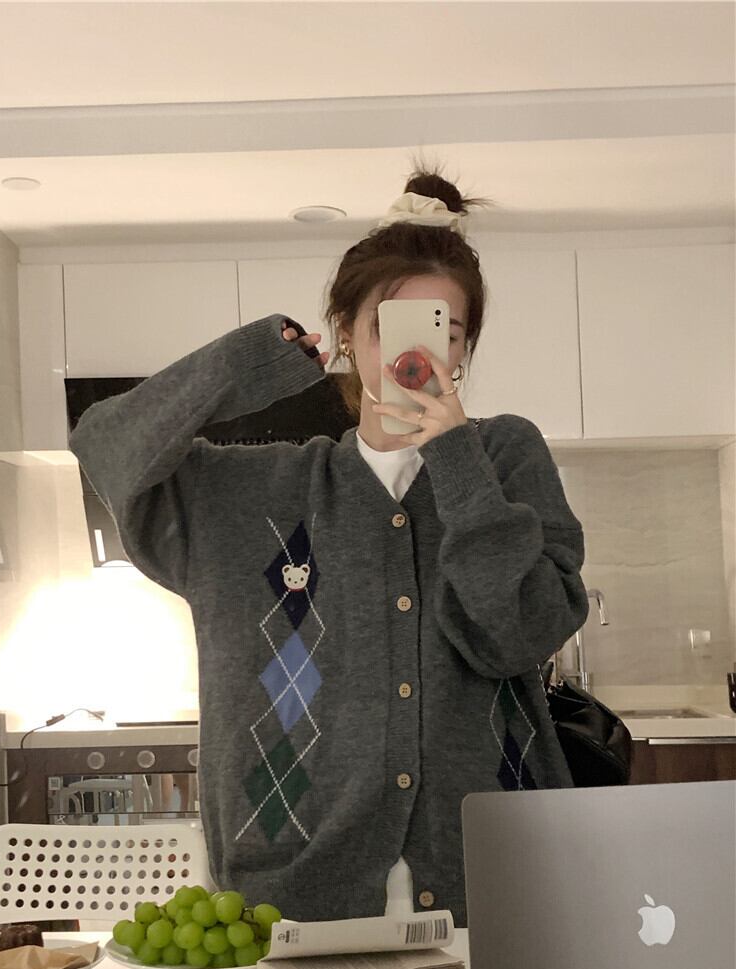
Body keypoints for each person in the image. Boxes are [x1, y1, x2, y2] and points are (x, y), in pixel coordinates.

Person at [68, 155, 589, 926]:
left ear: (464, 347)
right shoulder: (257, 492)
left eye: (445, 331)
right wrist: (243, 368)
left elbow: (517, 633)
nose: (416, 355)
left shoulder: (504, 457)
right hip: (300, 897)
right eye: (389, 327)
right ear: (346, 332)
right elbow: (104, 448)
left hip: (493, 885)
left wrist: (455, 459)